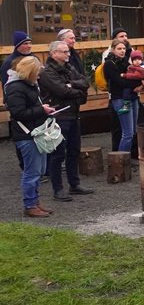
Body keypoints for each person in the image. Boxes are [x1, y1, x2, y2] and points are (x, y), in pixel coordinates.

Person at [39, 39, 93, 201]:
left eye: (68, 51)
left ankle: (74, 184)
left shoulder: (69, 68)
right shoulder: (47, 72)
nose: (68, 54)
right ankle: (58, 189)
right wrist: (76, 89)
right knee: (58, 154)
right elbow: (61, 91)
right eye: (64, 51)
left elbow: (85, 82)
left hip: (73, 114)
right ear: (54, 53)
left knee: (74, 151)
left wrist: (72, 85)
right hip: (59, 116)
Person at [5, 56, 59, 217]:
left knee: (38, 170)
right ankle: (30, 204)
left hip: (35, 132)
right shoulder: (16, 88)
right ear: (29, 72)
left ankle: (35, 202)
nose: (39, 76)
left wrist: (43, 109)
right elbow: (18, 113)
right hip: (26, 135)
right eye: (37, 72)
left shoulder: (30, 85)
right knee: (32, 172)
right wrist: (41, 110)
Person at [103, 40, 141, 154]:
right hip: (120, 98)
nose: (122, 51)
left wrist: (139, 81)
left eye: (124, 49)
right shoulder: (109, 64)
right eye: (119, 49)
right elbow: (120, 82)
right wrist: (136, 84)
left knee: (133, 131)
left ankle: (126, 158)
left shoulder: (125, 61)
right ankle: (120, 161)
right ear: (113, 49)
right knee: (127, 133)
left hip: (132, 97)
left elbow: (136, 75)